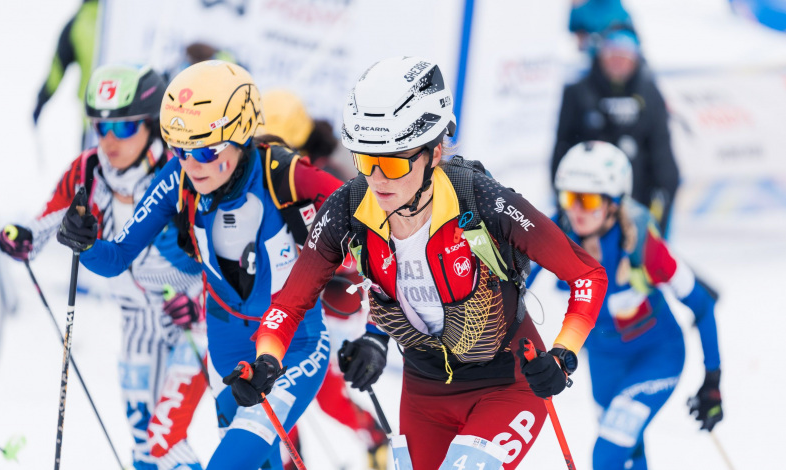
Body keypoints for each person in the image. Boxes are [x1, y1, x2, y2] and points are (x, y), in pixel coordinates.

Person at [229, 56, 609, 470]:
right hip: (424, 396)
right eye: (364, 159)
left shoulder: (484, 201)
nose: (377, 179)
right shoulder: (349, 209)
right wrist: (267, 359)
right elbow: (289, 304)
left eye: (392, 162)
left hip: (505, 386)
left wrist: (563, 355)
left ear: (434, 151)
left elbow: (587, 274)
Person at [55, 60, 343, 469]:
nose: (193, 165)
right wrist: (84, 242)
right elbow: (116, 258)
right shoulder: (178, 179)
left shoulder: (280, 171)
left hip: (294, 347)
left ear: (241, 134)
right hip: (227, 353)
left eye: (207, 150)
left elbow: (368, 211)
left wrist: (374, 325)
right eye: (180, 150)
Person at [0, 64, 208, 470]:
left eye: (125, 128)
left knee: (167, 438)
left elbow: (222, 251)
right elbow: (44, 224)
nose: (110, 140)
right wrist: (19, 238)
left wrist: (200, 304)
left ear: (152, 125)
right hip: (135, 320)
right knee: (144, 447)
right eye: (100, 127)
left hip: (194, 319)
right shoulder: (87, 171)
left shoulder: (183, 169)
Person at [544, 141, 723, 469]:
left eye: (588, 199)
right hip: (602, 361)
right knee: (629, 454)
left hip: (657, 357)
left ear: (613, 203)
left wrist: (712, 380)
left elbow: (702, 305)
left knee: (607, 454)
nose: (577, 210)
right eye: (569, 197)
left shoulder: (645, 244)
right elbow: (515, 280)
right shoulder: (557, 231)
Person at [261, 89, 388, 469]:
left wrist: (315, 255)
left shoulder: (331, 174)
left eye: (275, 150)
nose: (269, 161)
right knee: (279, 388)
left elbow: (363, 251)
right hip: (293, 295)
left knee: (328, 397)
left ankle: (377, 438)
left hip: (334, 301)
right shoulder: (280, 170)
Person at [551, 28, 679, 235]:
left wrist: (657, 226)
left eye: (624, 56)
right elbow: (560, 152)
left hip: (636, 206)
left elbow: (664, 159)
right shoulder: (578, 93)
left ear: (636, 59)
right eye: (612, 54)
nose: (617, 61)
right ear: (600, 55)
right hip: (586, 208)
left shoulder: (650, 95)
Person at [33, 0, 98, 142]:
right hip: (135, 122)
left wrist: (41, 101)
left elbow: (56, 71)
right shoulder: (125, 17)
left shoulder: (77, 24)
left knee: (92, 163)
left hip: (93, 122)